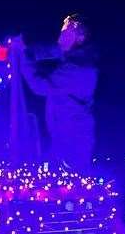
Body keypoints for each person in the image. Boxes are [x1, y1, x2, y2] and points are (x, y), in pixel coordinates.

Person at [12, 14, 98, 174]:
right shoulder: (78, 59)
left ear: (80, 38)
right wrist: (27, 49)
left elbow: (39, 85)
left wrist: (23, 54)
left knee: (69, 187)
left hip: (72, 140)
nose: (60, 38)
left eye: (66, 34)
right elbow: (53, 50)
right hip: (68, 135)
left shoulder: (77, 69)